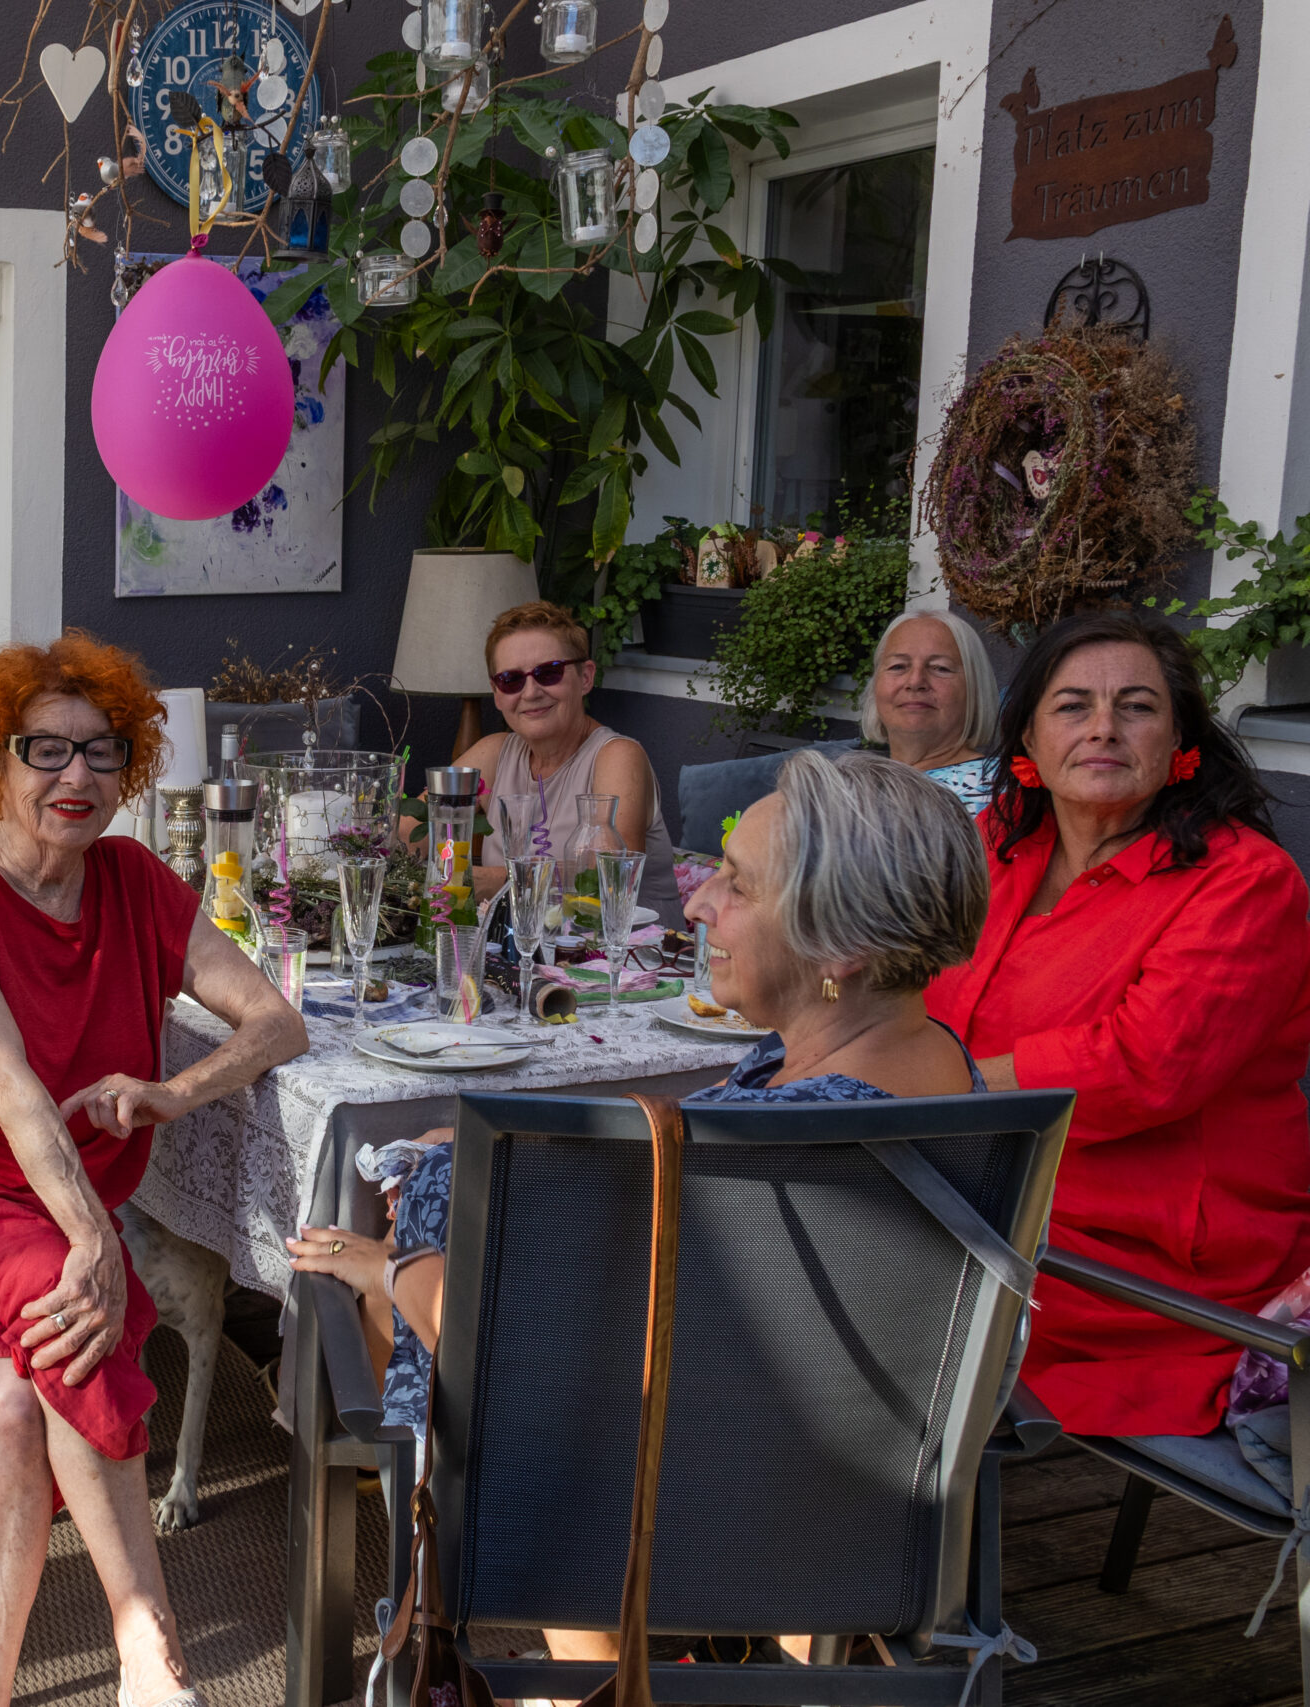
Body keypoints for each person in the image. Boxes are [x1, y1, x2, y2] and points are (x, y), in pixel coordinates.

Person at [291, 746, 988, 1669]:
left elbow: (493, 1340)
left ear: (840, 947)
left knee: (410, 1303)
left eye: (736, 884)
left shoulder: (783, 1148)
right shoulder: (935, 1071)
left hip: (688, 1513)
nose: (697, 902)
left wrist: (388, 1266)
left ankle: (583, 1684)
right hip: (855, 1512)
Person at [0, 634, 308, 1707]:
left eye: (102, 754)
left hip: (41, 1204)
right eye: (44, 751)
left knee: (6, 1396)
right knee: (60, 1288)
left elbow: (277, 1022)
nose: (76, 778)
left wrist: (176, 1092)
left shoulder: (134, 881)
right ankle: (151, 1644)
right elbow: (10, 1084)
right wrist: (92, 1243)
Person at [928, 609, 1310, 1439]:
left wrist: (935, 1087)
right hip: (988, 1191)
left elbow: (1142, 1065)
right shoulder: (995, 845)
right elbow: (902, 977)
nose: (1103, 727)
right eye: (1072, 705)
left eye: (1136, 706)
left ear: (1180, 739)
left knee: (862, 1280)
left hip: (1147, 1253)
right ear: (1026, 735)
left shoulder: (1246, 881)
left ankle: (873, 1535)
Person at [458, 599, 680, 913]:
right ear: (496, 694)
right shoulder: (494, 753)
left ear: (586, 677)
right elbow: (414, 830)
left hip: (635, 953)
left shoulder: (617, 756)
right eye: (511, 680)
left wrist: (499, 880)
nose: (531, 692)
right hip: (528, 952)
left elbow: (610, 875)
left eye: (548, 673)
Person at [863, 607, 999, 815]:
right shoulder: (854, 785)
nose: (915, 681)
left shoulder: (999, 795)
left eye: (940, 668)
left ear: (975, 689)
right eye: (898, 666)